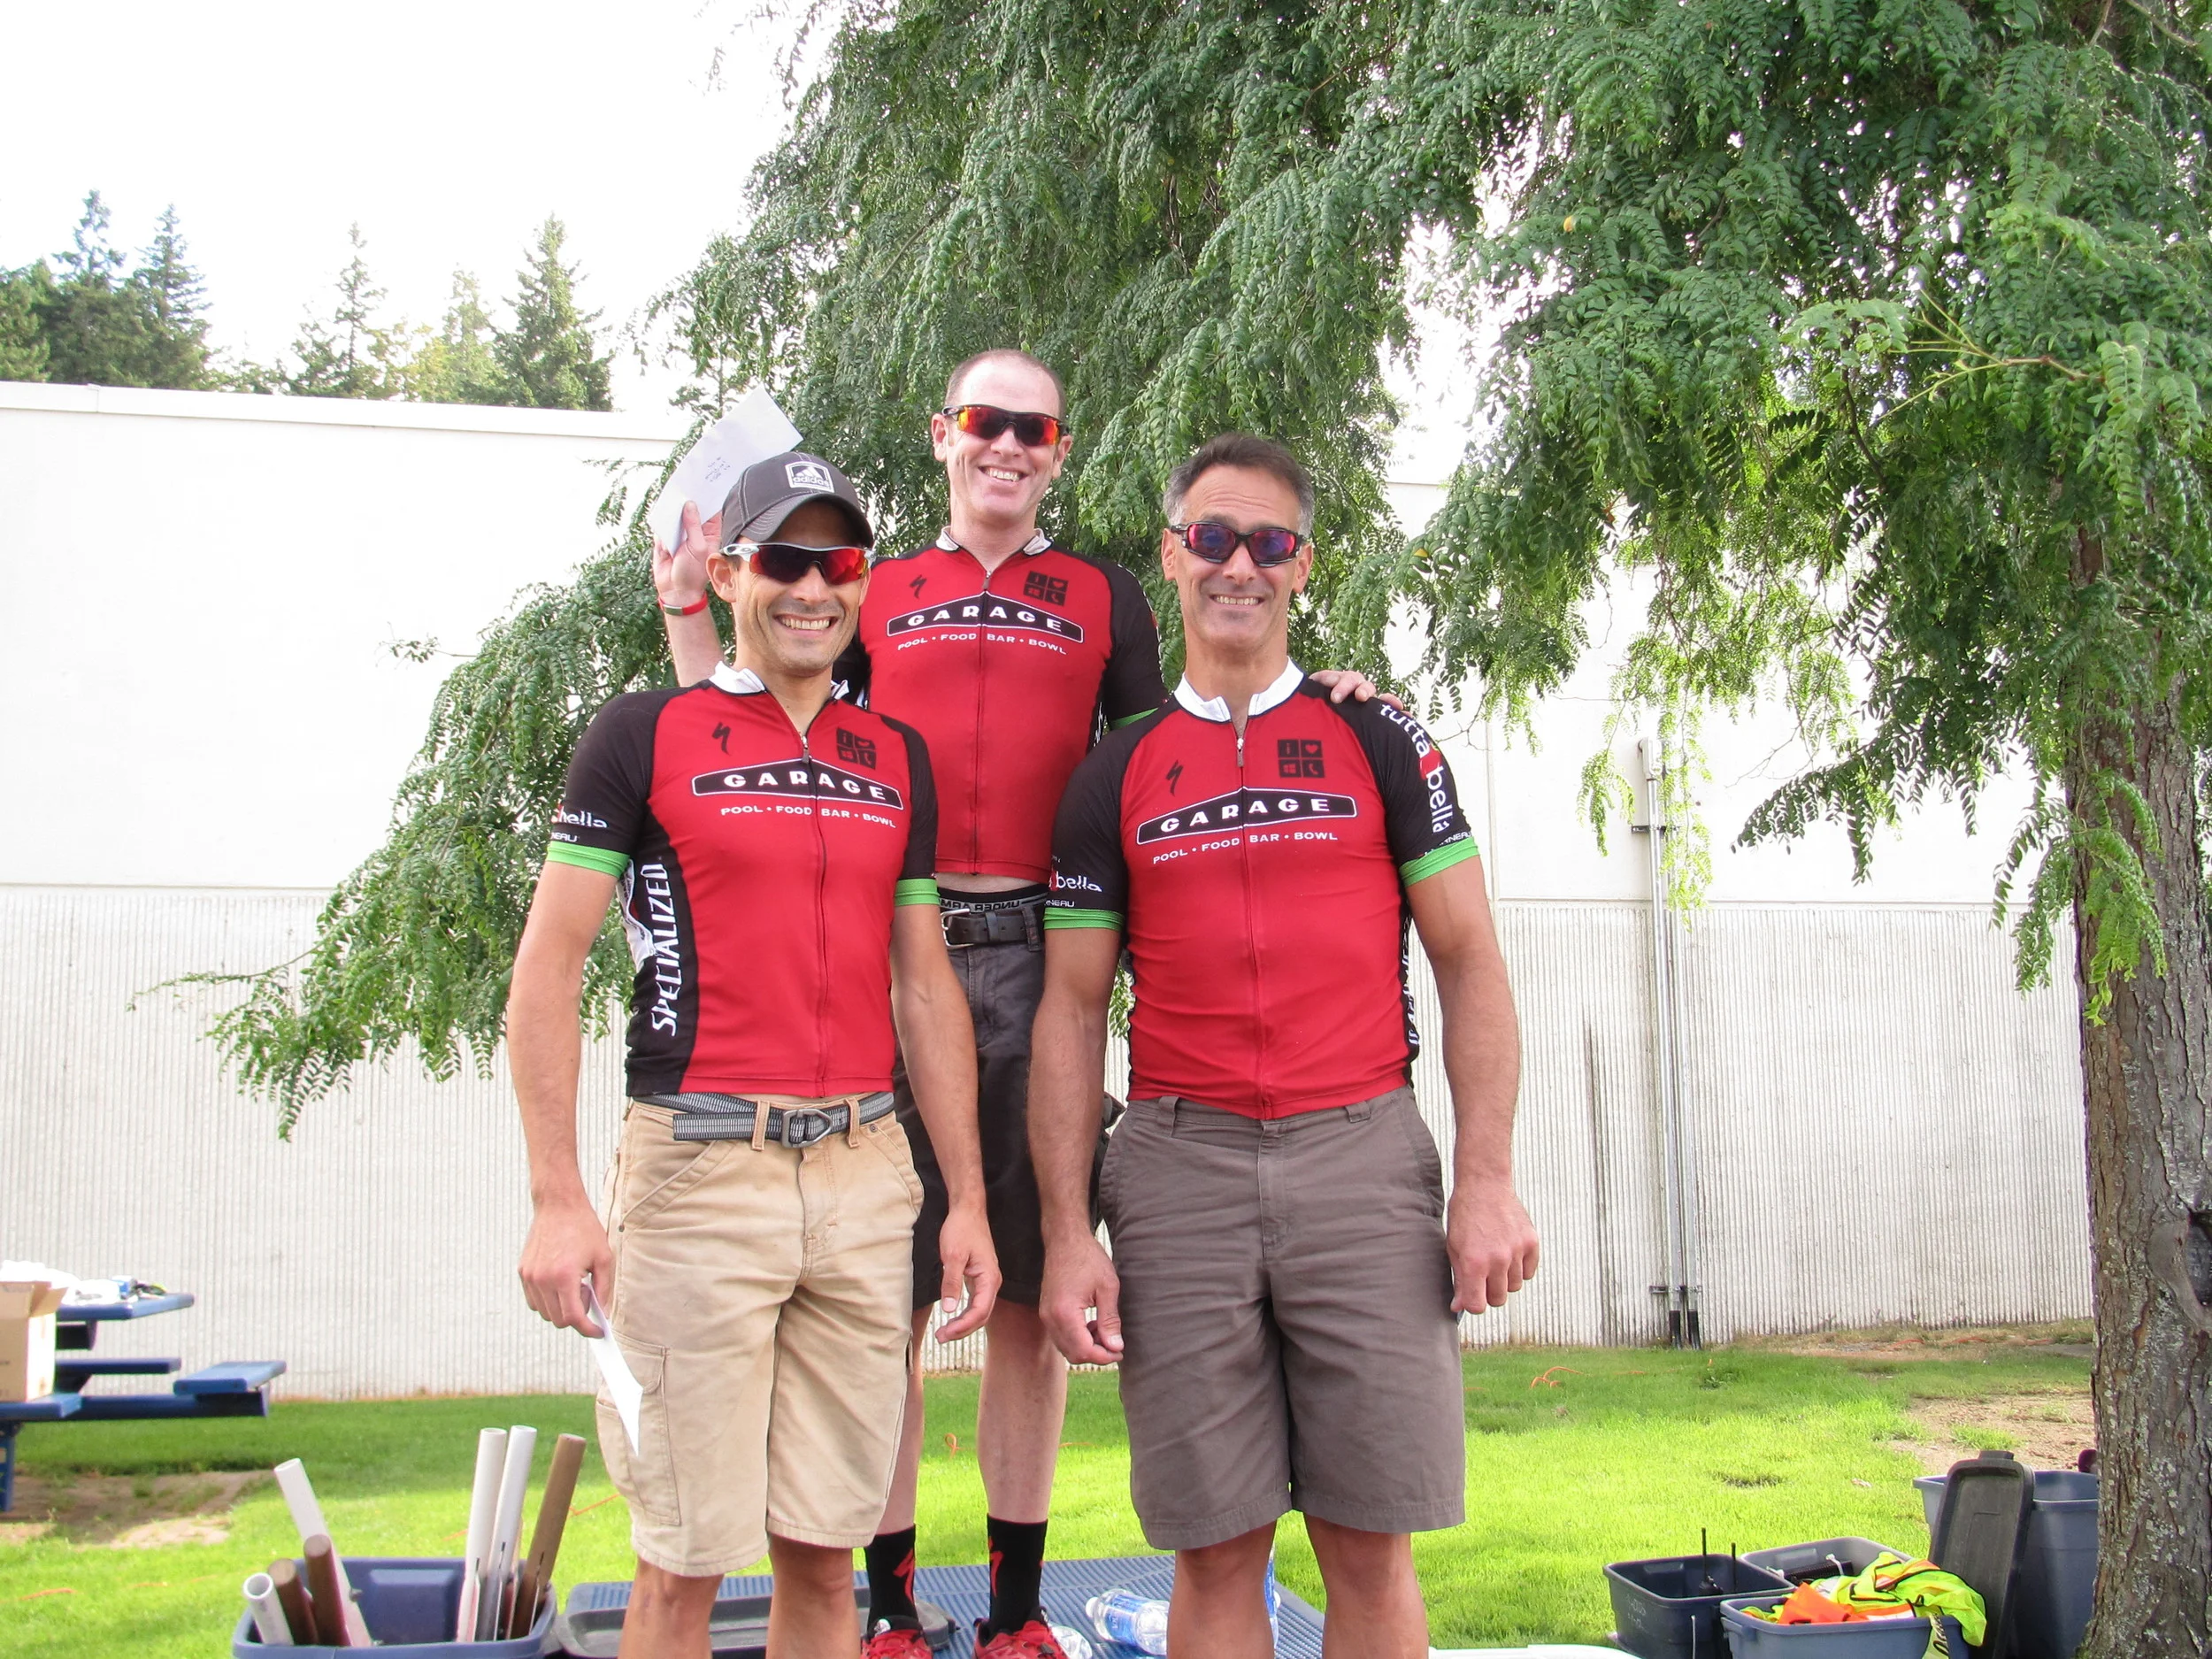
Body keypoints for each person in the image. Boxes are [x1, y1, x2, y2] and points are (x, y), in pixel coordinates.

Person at [657, 356, 1386, 1658]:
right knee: (881, 1302)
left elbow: (1181, 744)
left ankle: (1007, 1614)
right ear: (943, 437)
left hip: (1050, 968)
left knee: (1024, 1307)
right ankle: (884, 1606)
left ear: (1059, 449)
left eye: (1031, 427)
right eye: (983, 421)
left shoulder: (1104, 595)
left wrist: (1329, 704)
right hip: (909, 969)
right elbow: (760, 710)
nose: (1005, 444)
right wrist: (684, 624)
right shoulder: (879, 587)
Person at [1030, 434, 1541, 1659]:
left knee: (1367, 1547)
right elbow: (1068, 1010)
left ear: (1304, 563)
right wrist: (1063, 1234)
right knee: (1214, 1550)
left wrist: (1484, 1176)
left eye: (1267, 542)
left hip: (1359, 1158)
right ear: (1172, 554)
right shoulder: (1118, 770)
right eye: (1211, 538)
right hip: (1178, 1167)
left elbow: (1469, 957)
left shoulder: (1381, 740)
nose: (1237, 565)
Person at [514, 449, 999, 1659]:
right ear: (728, 570)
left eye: (839, 561)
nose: (812, 587)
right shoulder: (643, 733)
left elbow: (927, 984)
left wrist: (969, 1201)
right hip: (695, 1174)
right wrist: (558, 1198)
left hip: (862, 1175)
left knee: (826, 1563)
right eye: (784, 557)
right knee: (681, 1563)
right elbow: (549, 965)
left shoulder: (897, 755)